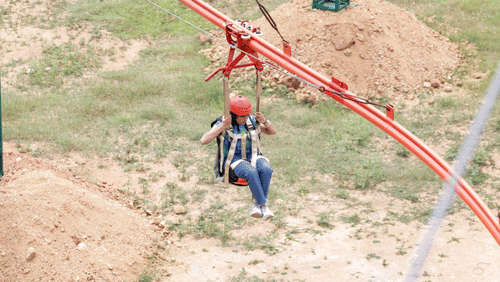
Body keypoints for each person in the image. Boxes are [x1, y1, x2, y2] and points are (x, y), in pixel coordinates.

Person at [200, 95, 276, 220]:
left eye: (247, 115)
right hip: (233, 160)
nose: (245, 118)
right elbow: (203, 140)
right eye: (242, 116)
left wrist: (265, 121)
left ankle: (258, 205)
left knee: (267, 169)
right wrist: (222, 126)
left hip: (253, 155)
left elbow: (272, 131)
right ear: (233, 115)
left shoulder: (251, 121)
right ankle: (263, 205)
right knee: (251, 171)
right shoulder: (223, 122)